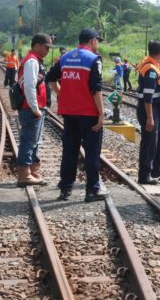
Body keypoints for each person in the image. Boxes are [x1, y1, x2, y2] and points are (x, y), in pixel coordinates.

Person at [46, 28, 108, 203]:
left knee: (69, 151)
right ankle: (92, 191)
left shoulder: (65, 58)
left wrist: (61, 95)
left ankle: (65, 189)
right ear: (92, 41)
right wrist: (101, 114)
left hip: (69, 113)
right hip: (89, 114)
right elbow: (96, 89)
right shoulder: (93, 60)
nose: (98, 44)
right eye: (98, 41)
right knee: (92, 153)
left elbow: (51, 78)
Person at [15, 34, 53, 186]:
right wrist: (35, 108)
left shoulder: (34, 60)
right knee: (29, 141)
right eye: (46, 47)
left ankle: (33, 172)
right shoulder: (31, 61)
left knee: (34, 141)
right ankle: (24, 175)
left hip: (34, 108)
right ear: (37, 45)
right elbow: (29, 87)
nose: (48, 51)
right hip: (30, 109)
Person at [135, 41, 160, 184]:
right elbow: (148, 96)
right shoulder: (150, 70)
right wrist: (150, 118)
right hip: (148, 109)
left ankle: (156, 168)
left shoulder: (152, 65)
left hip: (155, 110)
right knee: (149, 142)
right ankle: (144, 175)